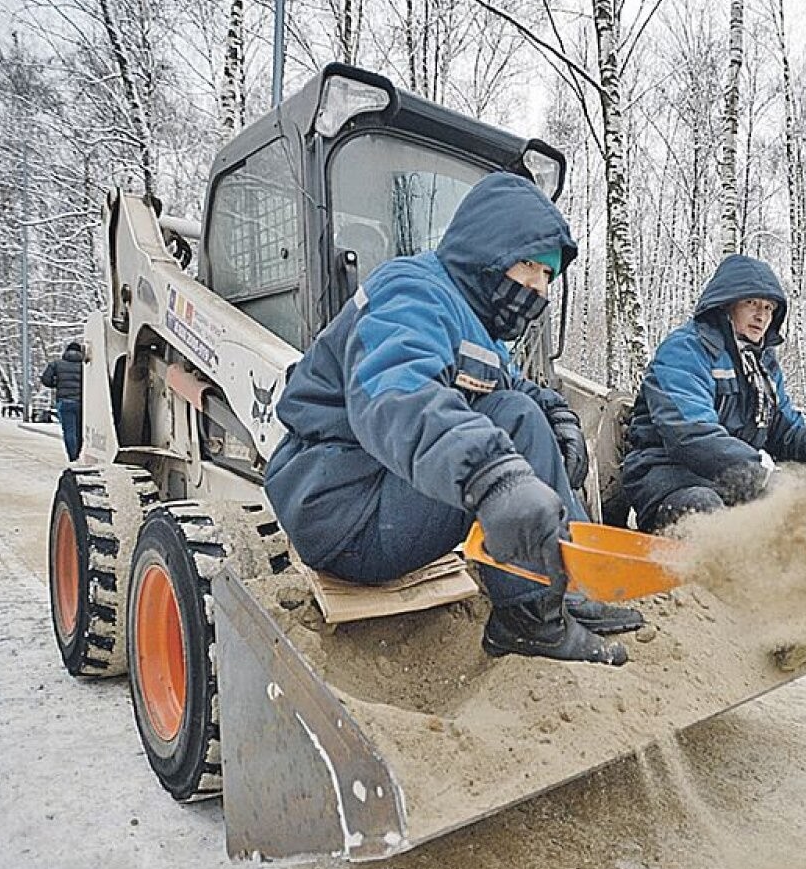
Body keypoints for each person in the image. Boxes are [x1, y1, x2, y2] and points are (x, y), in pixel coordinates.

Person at [265, 171, 641, 666]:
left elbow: (508, 386)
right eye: (532, 267)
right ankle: (528, 620)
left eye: (549, 277)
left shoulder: (471, 322)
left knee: (523, 412)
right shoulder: (413, 292)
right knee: (511, 421)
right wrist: (492, 476)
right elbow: (397, 393)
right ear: (493, 252)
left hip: (374, 492)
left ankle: (561, 588)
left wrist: (560, 417)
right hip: (343, 511)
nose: (540, 291)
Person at [620, 254, 806, 532]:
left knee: (800, 524)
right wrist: (761, 475)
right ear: (727, 303)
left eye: (769, 308)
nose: (761, 315)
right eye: (751, 303)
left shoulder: (762, 366)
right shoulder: (686, 350)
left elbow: (784, 429)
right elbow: (691, 434)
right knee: (707, 512)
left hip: (730, 482)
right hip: (667, 478)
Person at [41, 341, 85, 461]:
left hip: (64, 401)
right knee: (80, 431)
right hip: (82, 403)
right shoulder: (85, 366)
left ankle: (73, 457)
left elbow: (45, 380)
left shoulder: (56, 364)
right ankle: (80, 454)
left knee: (69, 430)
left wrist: (57, 384)